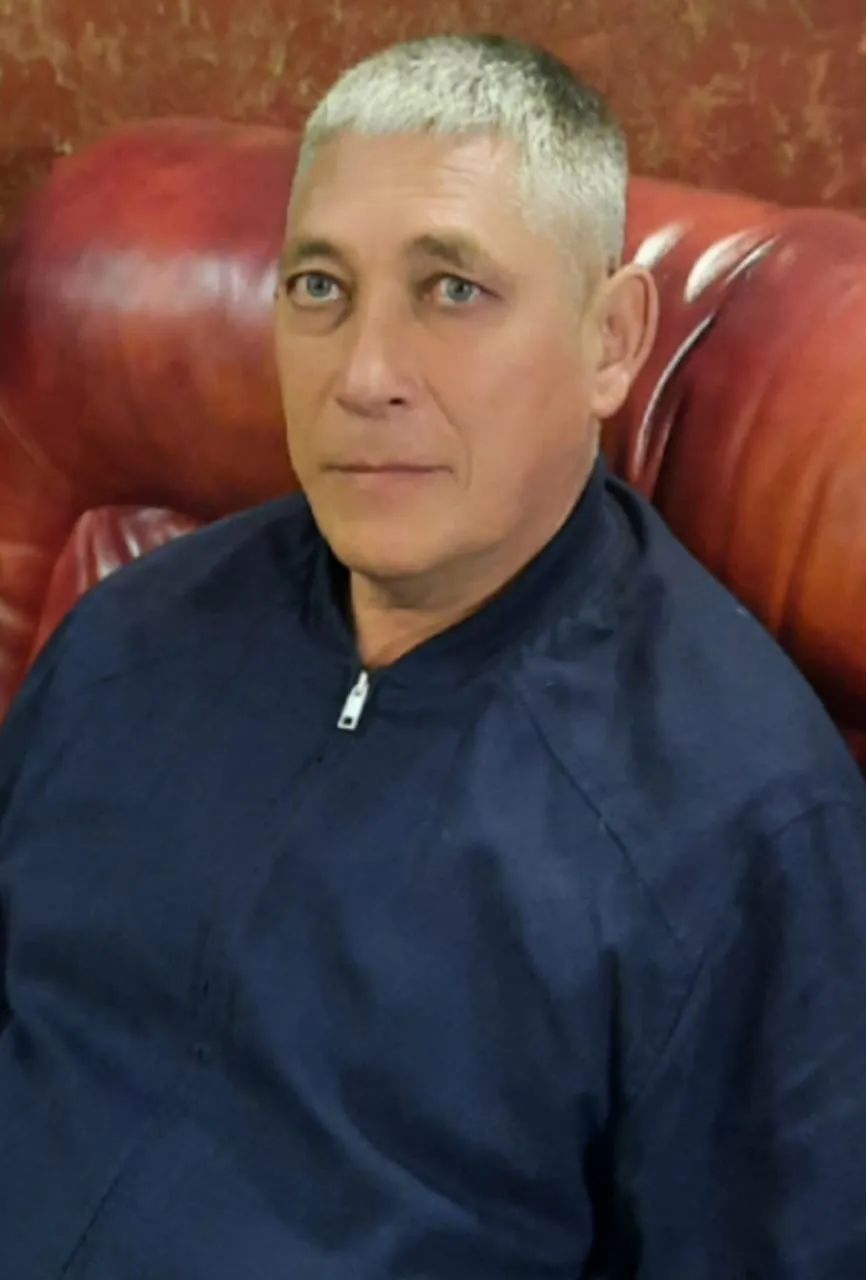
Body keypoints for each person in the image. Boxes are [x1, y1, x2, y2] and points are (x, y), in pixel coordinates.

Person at [1, 32, 865, 1279]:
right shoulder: (130, 634)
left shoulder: (741, 830)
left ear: (609, 339)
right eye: (318, 286)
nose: (363, 375)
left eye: (452, 289)